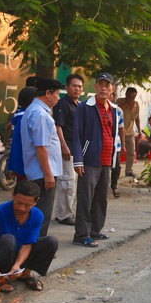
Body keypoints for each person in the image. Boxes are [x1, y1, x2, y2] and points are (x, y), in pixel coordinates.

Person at [0, 180, 57, 292]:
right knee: (8, 239)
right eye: (18, 203)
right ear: (12, 196)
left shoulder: (37, 215)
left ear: (36, 202)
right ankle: (0, 278)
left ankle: (25, 274)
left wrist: (18, 264)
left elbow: (28, 243)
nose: (22, 208)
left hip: (18, 257)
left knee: (51, 242)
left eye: (27, 205)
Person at [71, 72, 120, 247]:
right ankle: (81, 234)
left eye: (107, 85)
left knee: (100, 198)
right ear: (95, 87)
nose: (104, 88)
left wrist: (116, 159)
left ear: (112, 89)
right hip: (89, 160)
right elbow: (76, 134)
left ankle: (94, 230)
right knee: (86, 198)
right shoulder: (85, 107)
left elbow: (114, 135)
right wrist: (78, 159)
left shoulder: (114, 110)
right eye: (101, 84)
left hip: (107, 161)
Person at [21, 77, 64, 237]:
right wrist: (48, 174)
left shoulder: (34, 110)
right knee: (42, 214)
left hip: (38, 172)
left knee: (37, 213)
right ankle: (38, 248)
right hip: (42, 174)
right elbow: (41, 147)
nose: (58, 98)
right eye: (57, 94)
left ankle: (34, 246)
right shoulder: (40, 115)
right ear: (48, 93)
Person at [53, 73, 84, 226]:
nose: (77, 89)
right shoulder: (62, 104)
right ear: (67, 87)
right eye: (74, 86)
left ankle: (66, 212)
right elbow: (58, 126)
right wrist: (63, 146)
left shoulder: (79, 105)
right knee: (67, 182)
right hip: (67, 150)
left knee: (72, 183)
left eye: (79, 86)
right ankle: (63, 214)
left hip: (77, 151)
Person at [7, 86, 37, 182]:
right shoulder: (27, 119)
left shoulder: (20, 117)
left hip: (19, 163)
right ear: (33, 101)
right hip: (26, 165)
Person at [117, 87, 141, 177]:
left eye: (133, 98)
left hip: (130, 132)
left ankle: (129, 170)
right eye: (130, 97)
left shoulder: (136, 105)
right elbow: (115, 110)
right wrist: (126, 104)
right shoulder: (119, 101)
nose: (132, 99)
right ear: (126, 95)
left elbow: (137, 118)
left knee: (131, 152)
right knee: (118, 152)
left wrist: (139, 130)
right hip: (119, 132)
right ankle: (116, 169)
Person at [109, 91, 125, 198]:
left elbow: (121, 128)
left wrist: (123, 144)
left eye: (111, 94)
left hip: (116, 144)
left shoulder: (118, 111)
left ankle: (114, 186)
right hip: (102, 144)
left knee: (116, 166)